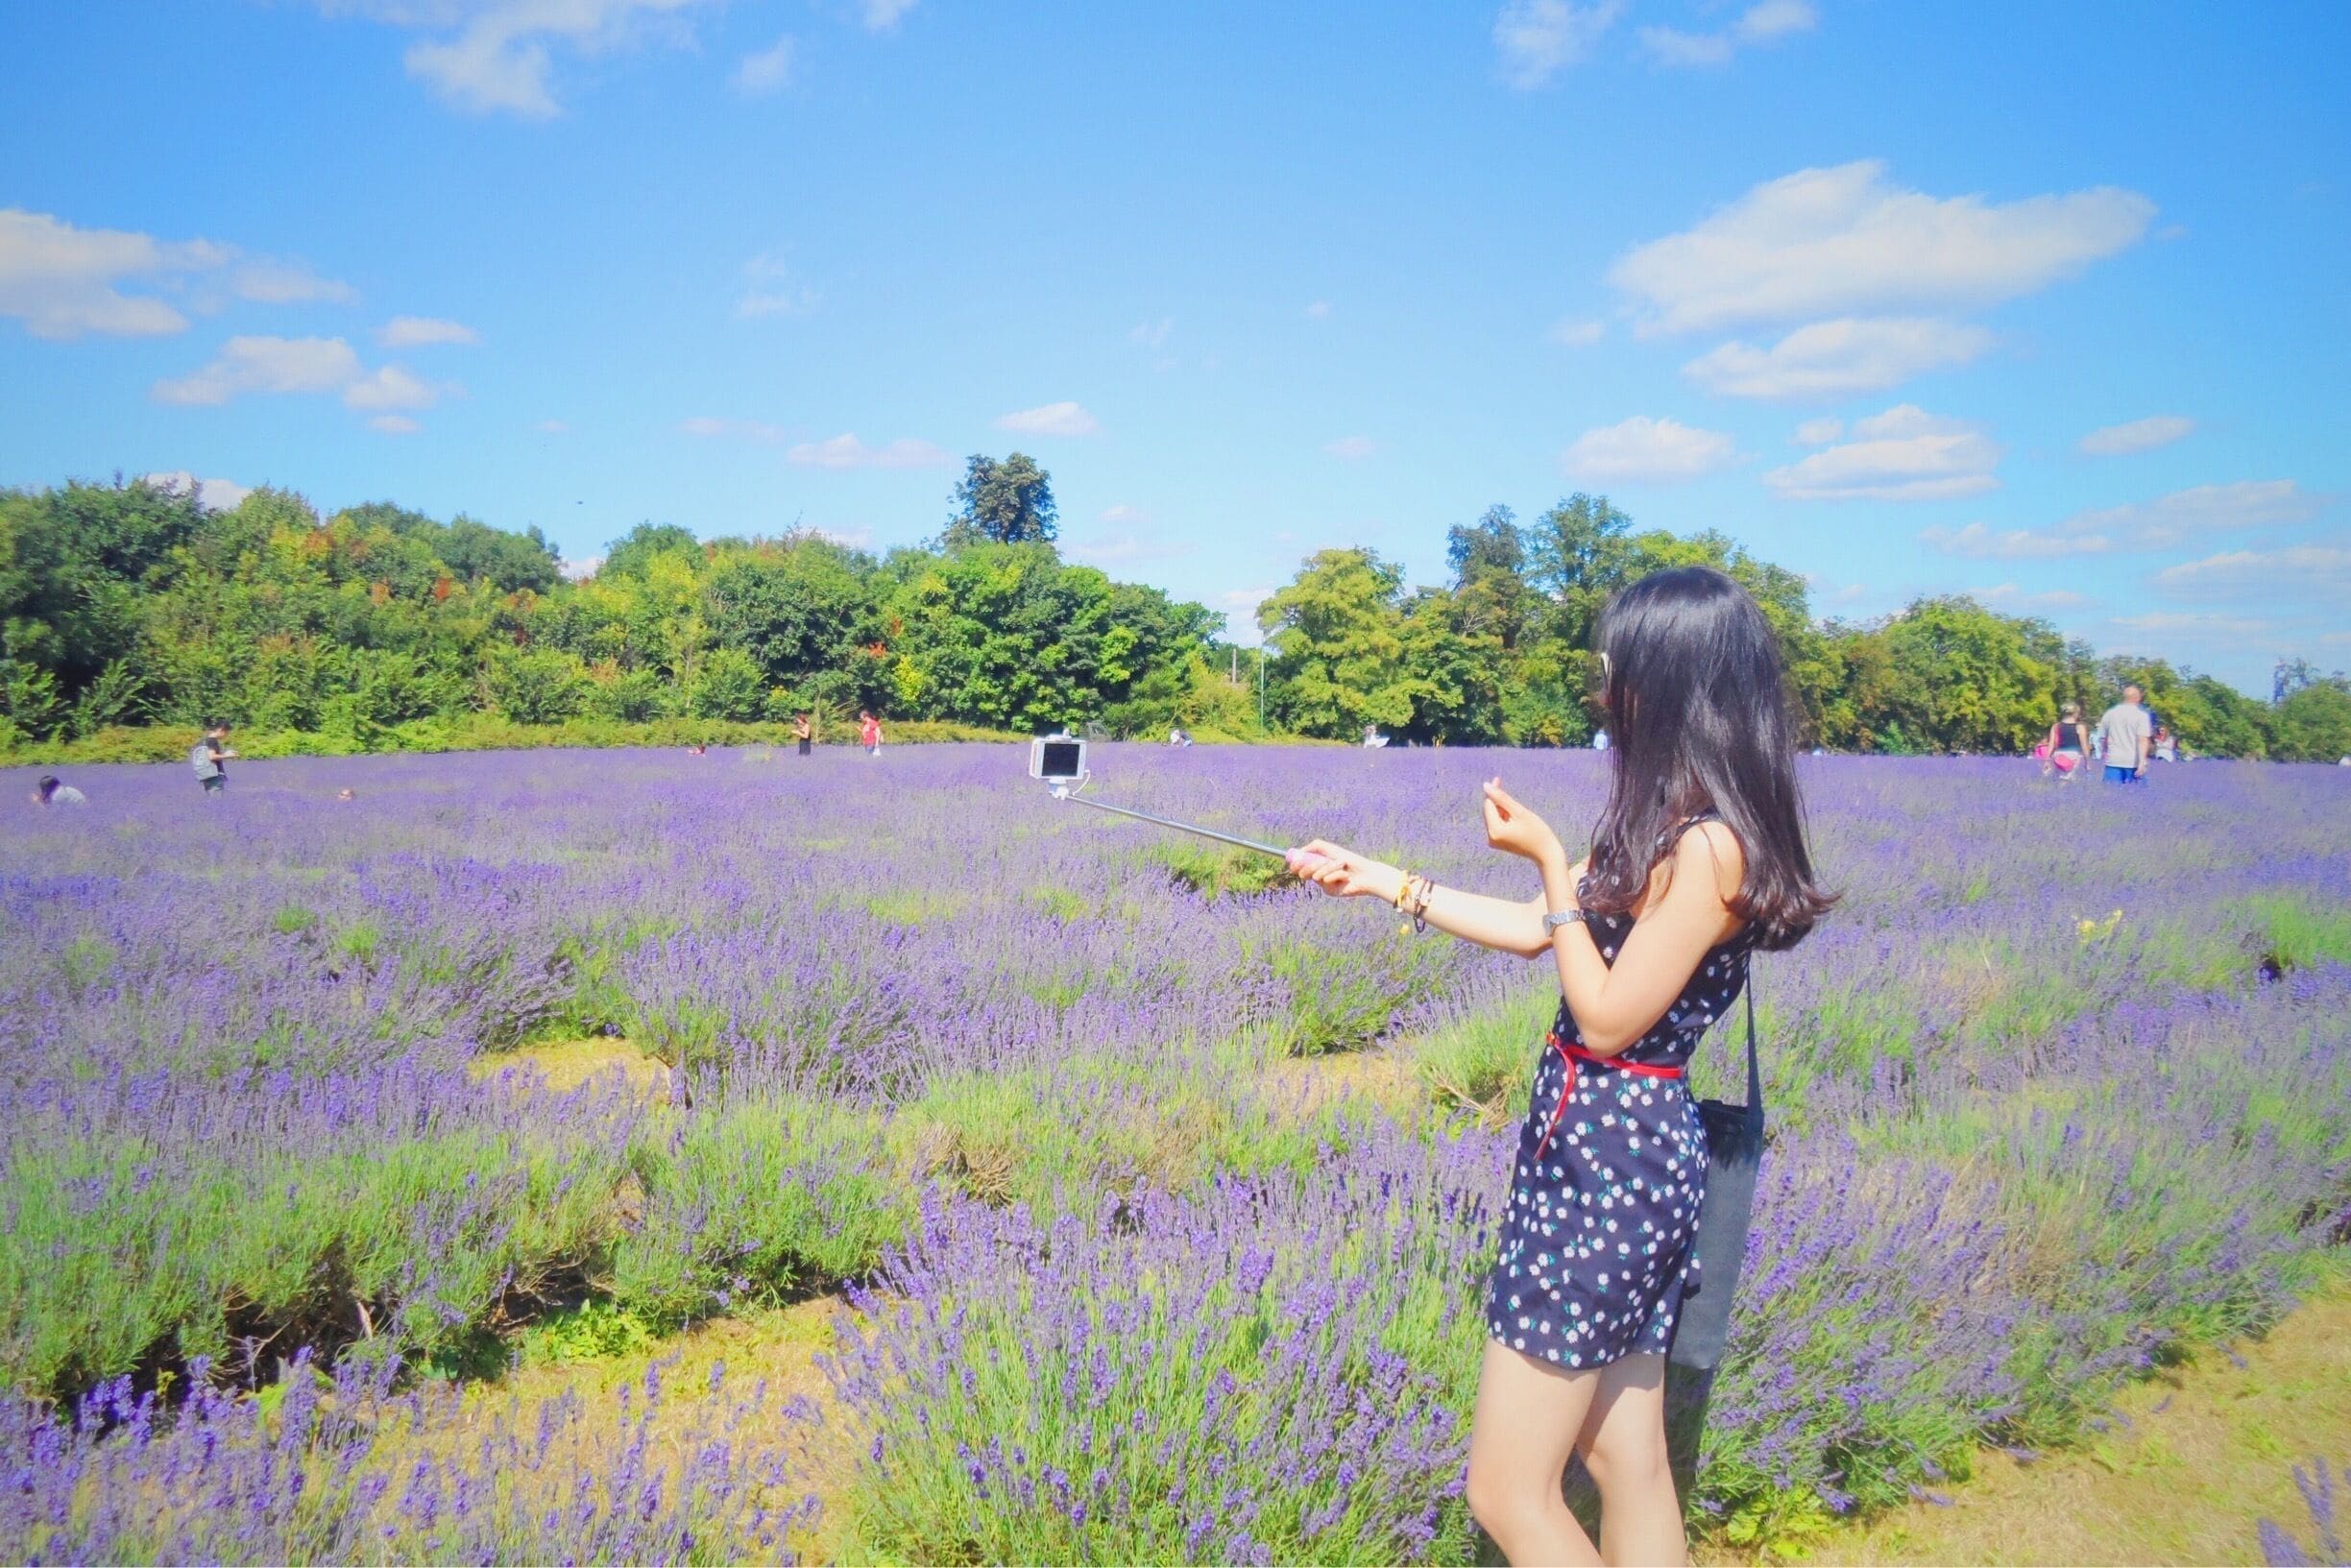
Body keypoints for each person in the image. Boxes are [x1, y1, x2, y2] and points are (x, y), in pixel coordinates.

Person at [1293, 567, 1831, 1566]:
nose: (1604, 685)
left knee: (1507, 1492)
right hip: (1607, 1162)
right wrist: (1379, 880)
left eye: (1618, 666)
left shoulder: (1711, 848)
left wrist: (1549, 865)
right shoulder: (1671, 826)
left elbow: (1608, 1014)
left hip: (1608, 1173)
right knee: (1626, 1455)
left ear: (1675, 684)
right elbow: (1541, 935)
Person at [2097, 684, 2153, 784]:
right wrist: (2142, 763)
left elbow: (2103, 738)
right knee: (2136, 797)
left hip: (2113, 760)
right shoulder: (2141, 716)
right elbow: (2142, 740)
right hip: (2133, 762)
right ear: (2138, 698)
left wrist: (2105, 753)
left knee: (2110, 795)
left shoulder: (2109, 714)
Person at [2042, 702, 2090, 781]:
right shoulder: (2080, 727)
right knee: (2068, 780)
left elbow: (2051, 744)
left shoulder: (2056, 726)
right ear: (2075, 714)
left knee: (2060, 779)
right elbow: (2084, 746)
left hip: (2058, 755)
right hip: (2073, 755)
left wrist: (2047, 760)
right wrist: (2087, 761)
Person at [189, 721, 235, 795]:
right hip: (214, 775)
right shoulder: (213, 741)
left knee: (211, 799)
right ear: (221, 730)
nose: (226, 736)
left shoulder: (203, 741)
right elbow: (212, 756)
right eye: (227, 733)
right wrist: (228, 755)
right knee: (217, 800)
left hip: (205, 774)